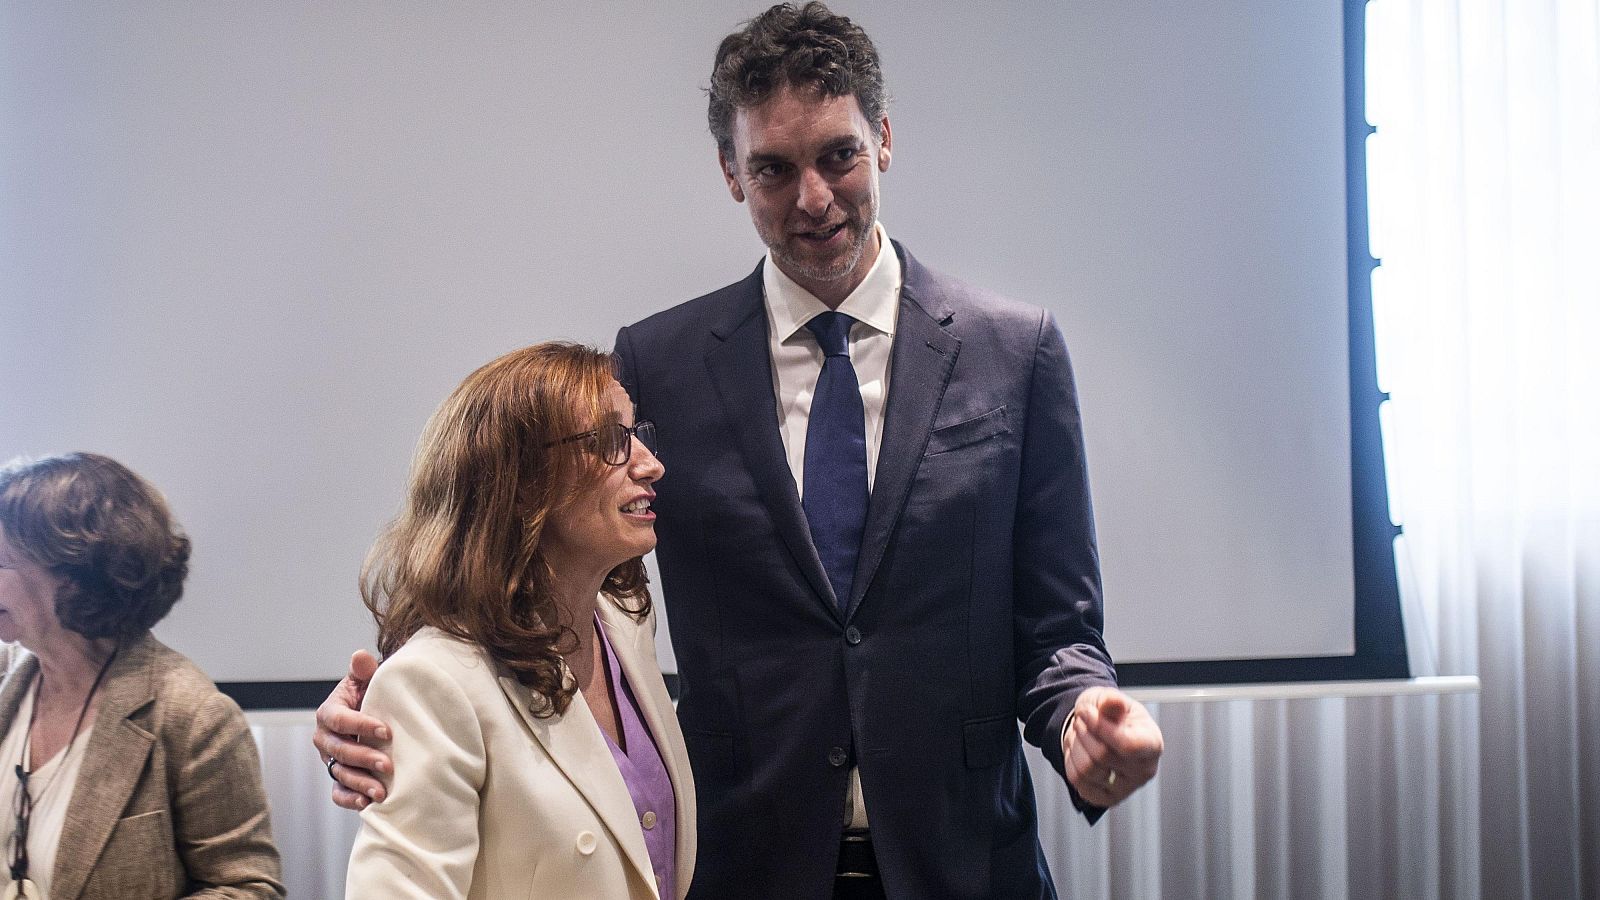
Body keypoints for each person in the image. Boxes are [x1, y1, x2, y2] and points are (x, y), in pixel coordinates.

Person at [320, 4, 1163, 897]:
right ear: (731, 173)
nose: (812, 196)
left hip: (966, 867)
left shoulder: (1014, 351)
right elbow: (542, 558)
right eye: (773, 168)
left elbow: (1060, 631)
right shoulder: (659, 365)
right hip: (746, 869)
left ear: (882, 138)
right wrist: (391, 688)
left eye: (837, 154)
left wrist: (1082, 715)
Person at [342, 342, 695, 900]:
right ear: (522, 481)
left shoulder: (624, 623)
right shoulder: (433, 683)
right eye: (611, 441)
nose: (652, 464)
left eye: (638, 435)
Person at [0, 452, 284, 899]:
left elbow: (247, 888)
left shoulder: (192, 716)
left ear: (72, 576)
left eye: (1, 562)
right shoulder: (8, 681)